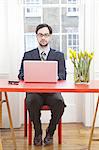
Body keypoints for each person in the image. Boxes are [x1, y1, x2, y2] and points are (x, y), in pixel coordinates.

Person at [18, 23, 67, 146]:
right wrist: (28, 75)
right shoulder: (28, 55)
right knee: (31, 101)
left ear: (50, 36)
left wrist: (54, 76)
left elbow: (63, 75)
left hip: (52, 93)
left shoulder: (59, 55)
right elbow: (20, 74)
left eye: (46, 35)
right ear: (36, 36)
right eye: (40, 35)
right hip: (34, 93)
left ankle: (50, 132)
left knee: (60, 103)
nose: (43, 38)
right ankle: (38, 132)